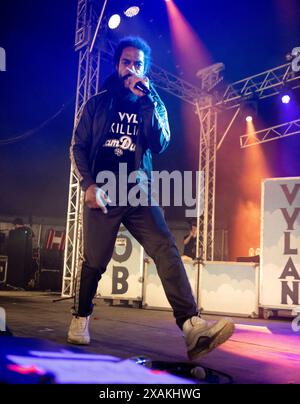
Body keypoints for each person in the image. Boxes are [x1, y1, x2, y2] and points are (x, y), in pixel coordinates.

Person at [67, 36, 234, 360]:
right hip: (102, 192)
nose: (132, 68)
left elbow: (160, 144)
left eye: (138, 64)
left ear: (146, 70)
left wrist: (147, 101)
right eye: (126, 62)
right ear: (117, 66)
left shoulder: (151, 102)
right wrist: (87, 185)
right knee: (96, 261)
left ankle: (191, 326)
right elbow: (78, 147)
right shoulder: (98, 103)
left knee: (166, 249)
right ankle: (80, 316)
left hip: (138, 192)